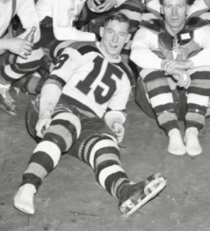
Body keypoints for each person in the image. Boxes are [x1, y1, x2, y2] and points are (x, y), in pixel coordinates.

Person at [13, 13, 167, 218]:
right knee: (69, 121)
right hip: (55, 104)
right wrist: (47, 111)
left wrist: (115, 123)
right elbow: (54, 81)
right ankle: (28, 187)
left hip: (89, 120)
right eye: (110, 32)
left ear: (127, 40)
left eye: (121, 35)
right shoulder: (82, 50)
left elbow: (115, 111)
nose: (114, 39)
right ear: (101, 32)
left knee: (106, 143)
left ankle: (125, 191)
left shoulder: (124, 74)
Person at [131, 0, 210, 156]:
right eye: (169, 6)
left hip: (192, 101)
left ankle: (192, 131)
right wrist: (170, 68)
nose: (174, 13)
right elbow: (136, 53)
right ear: (161, 9)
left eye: (179, 6)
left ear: (188, 8)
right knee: (146, 66)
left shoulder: (198, 27)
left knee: (207, 63)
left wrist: (187, 64)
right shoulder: (151, 29)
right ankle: (172, 131)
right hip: (155, 104)